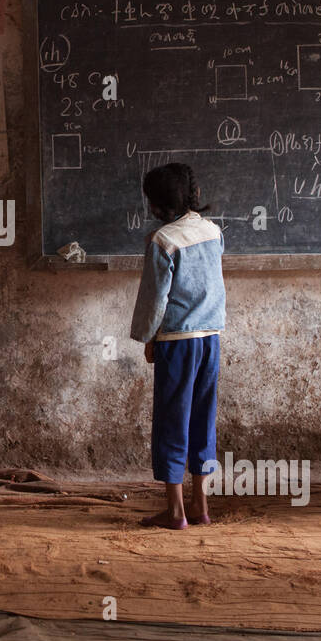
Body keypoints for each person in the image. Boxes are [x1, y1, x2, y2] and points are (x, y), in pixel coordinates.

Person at [129, 162, 225, 530]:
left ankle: (175, 511)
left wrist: (148, 339)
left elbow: (155, 299)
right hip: (210, 339)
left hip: (178, 343)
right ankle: (201, 504)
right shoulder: (213, 232)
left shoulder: (163, 241)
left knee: (172, 421)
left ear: (157, 205)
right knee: (203, 419)